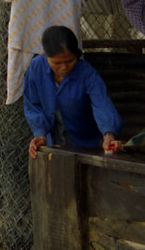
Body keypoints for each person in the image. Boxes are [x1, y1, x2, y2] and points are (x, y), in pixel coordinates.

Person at [24, 25, 124, 160]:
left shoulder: (86, 72)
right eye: (57, 63)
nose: (64, 67)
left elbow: (101, 103)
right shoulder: (36, 68)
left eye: (70, 61)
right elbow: (32, 104)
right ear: (46, 55)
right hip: (52, 142)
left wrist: (109, 134)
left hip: (86, 142)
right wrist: (40, 134)